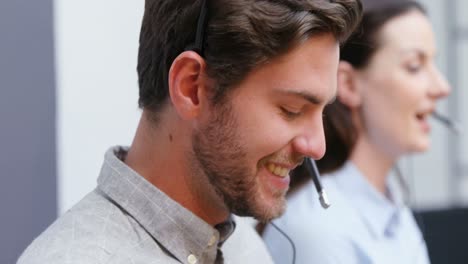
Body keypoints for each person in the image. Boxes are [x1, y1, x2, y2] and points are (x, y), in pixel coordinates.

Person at [17, 0, 362, 263]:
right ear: (192, 87)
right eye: (292, 110)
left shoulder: (247, 249)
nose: (317, 146)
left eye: (323, 109)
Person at [263, 0, 451, 263]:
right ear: (349, 84)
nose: (442, 87)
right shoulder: (319, 230)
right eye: (414, 66)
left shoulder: (390, 204)